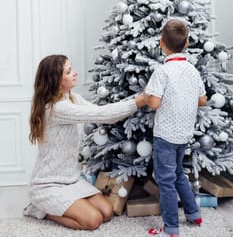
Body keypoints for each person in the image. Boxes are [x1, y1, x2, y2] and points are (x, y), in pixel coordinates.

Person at [24, 54, 145, 230]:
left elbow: (101, 111)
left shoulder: (72, 99)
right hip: (48, 185)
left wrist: (137, 98)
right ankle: (41, 209)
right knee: (93, 220)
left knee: (107, 211)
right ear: (57, 80)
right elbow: (105, 116)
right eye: (69, 71)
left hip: (72, 180)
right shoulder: (57, 108)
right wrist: (139, 101)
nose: (75, 73)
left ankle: (66, 205)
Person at [144, 19, 207, 237]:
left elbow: (153, 103)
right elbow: (203, 101)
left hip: (165, 136)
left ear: (161, 43)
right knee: (179, 173)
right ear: (187, 42)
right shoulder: (192, 70)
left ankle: (170, 228)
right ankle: (193, 213)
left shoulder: (163, 71)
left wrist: (146, 94)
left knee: (166, 181)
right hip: (184, 134)